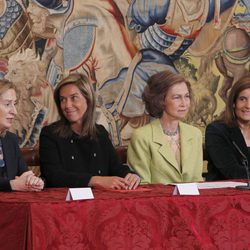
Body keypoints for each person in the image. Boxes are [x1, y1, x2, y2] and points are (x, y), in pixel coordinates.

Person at [39, 73, 140, 189]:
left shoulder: (100, 133)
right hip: (65, 203)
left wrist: (131, 175)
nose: (67, 105)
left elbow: (116, 168)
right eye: (63, 100)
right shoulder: (50, 134)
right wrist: (95, 180)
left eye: (74, 98)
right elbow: (53, 176)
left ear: (88, 99)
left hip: (102, 203)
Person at [127, 69, 203, 184]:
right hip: (157, 201)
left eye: (186, 96)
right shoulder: (142, 137)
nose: (184, 103)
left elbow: (197, 180)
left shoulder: (195, 134)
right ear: (160, 100)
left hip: (193, 201)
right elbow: (143, 185)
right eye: (177, 97)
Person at [0, 79, 44, 191]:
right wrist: (12, 185)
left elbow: (25, 175)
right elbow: (15, 183)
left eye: (14, 104)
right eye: (7, 104)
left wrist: (35, 182)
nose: (14, 111)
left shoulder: (11, 139)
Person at [205, 74, 250, 181]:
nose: (248, 105)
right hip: (225, 194)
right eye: (242, 99)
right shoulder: (216, 130)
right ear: (234, 103)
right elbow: (232, 171)